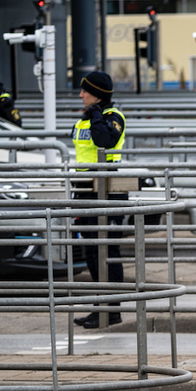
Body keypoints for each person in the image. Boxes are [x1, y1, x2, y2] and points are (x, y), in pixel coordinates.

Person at [72, 71, 126, 329]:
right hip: (85, 189)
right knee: (91, 251)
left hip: (107, 190)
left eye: (85, 91)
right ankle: (100, 306)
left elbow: (105, 140)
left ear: (97, 94)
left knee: (107, 249)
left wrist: (95, 115)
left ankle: (111, 309)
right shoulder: (87, 119)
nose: (80, 95)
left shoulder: (112, 118)